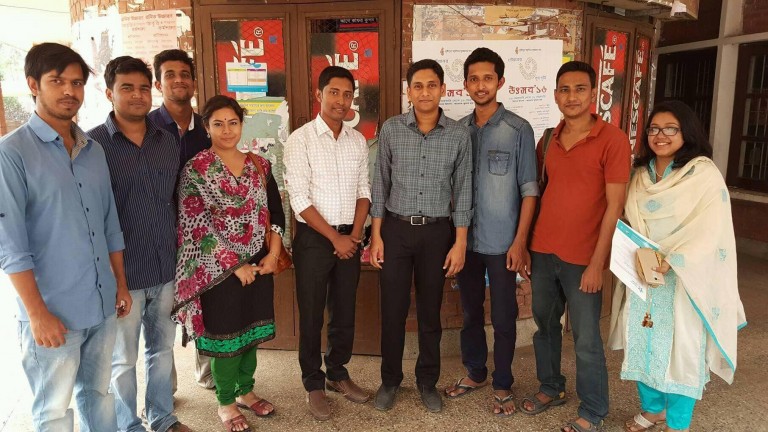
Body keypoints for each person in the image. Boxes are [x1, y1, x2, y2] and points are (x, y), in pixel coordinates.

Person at [0, 42, 129, 432]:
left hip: (102, 303)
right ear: (33, 85)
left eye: (76, 82)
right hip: (53, 311)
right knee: (54, 410)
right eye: (57, 81)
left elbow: (110, 224)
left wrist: (120, 284)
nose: (69, 91)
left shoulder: (94, 150)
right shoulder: (12, 153)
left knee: (99, 395)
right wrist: (37, 315)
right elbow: (11, 246)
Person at [607, 100, 746, 432]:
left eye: (671, 129)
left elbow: (712, 227)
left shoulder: (702, 173)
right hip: (643, 273)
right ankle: (653, 409)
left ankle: (678, 420)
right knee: (640, 341)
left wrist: (672, 260)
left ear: (687, 132)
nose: (661, 135)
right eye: (654, 129)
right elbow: (631, 219)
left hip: (684, 277)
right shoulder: (639, 173)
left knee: (681, 349)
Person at [520, 61, 631, 432]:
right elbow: (539, 192)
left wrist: (598, 263)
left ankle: (594, 410)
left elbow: (615, 206)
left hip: (584, 259)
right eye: (564, 90)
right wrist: (526, 245)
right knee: (545, 327)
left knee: (585, 339)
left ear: (593, 93)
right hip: (543, 251)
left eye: (580, 89)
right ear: (555, 95)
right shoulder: (548, 138)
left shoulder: (613, 140)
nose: (572, 96)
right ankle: (552, 388)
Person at [88, 56, 191, 432]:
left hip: (166, 268)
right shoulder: (92, 145)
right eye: (127, 88)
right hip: (123, 274)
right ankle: (127, 424)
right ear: (109, 93)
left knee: (161, 352)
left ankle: (162, 417)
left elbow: (175, 201)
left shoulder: (168, 140)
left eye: (144, 88)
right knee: (122, 358)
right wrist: (112, 279)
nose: (137, 95)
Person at [172, 95, 285, 432]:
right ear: (206, 127)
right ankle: (225, 402)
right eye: (218, 124)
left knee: (251, 333)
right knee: (225, 339)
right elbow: (195, 224)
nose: (226, 130)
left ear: (241, 124)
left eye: (232, 122)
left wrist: (274, 253)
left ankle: (247, 391)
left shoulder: (260, 165)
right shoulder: (196, 169)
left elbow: (276, 213)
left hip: (260, 263)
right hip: (217, 271)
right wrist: (235, 266)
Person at [370, 59, 473, 414]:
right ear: (408, 90)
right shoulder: (392, 129)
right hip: (396, 231)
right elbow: (379, 184)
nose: (425, 92)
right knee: (393, 311)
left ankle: (427, 382)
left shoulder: (459, 134)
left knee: (430, 313)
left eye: (432, 85)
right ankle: (390, 380)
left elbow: (463, 191)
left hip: (437, 234)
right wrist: (376, 236)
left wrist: (459, 242)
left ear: (443, 89)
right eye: (418, 86)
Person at [444, 47, 538, 417]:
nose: (480, 85)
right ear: (465, 84)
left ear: (500, 82)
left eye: (488, 78)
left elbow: (530, 190)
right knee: (469, 313)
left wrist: (521, 241)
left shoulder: (518, 129)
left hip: (503, 243)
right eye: (473, 78)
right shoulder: (458, 131)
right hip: (465, 242)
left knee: (502, 316)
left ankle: (503, 383)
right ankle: (476, 372)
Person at [283, 66, 371, 420]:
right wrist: (335, 237)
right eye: (334, 92)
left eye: (347, 94)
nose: (341, 100)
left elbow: (364, 190)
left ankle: (337, 372)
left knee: (345, 310)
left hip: (350, 236)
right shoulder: (300, 139)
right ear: (319, 94)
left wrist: (355, 234)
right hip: (315, 240)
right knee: (311, 312)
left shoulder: (357, 140)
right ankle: (312, 383)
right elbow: (299, 198)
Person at [149, 48, 214, 392]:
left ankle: (207, 374)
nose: (178, 80)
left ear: (193, 82)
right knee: (161, 318)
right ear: (159, 83)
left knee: (205, 301)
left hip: (203, 237)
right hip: (161, 234)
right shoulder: (147, 128)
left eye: (184, 74)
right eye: (170, 74)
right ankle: (165, 389)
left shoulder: (207, 128)